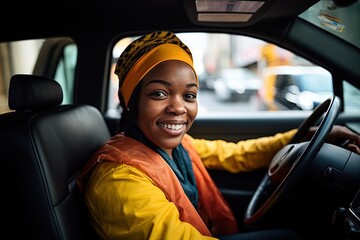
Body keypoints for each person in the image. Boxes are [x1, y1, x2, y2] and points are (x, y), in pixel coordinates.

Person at [77, 31, 360, 240]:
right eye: (159, 93)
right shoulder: (119, 179)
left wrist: (303, 140)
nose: (178, 107)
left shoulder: (178, 147)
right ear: (132, 101)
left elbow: (235, 154)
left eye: (189, 95)